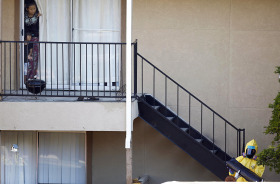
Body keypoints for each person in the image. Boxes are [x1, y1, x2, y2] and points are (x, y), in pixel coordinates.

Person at [24, 2, 41, 80]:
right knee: (28, 57)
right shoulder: (24, 16)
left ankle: (33, 75)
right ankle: (27, 76)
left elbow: (38, 27)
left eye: (34, 8)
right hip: (28, 39)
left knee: (34, 57)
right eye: (31, 9)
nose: (33, 10)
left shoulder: (37, 15)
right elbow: (24, 27)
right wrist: (27, 34)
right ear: (27, 9)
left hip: (35, 38)